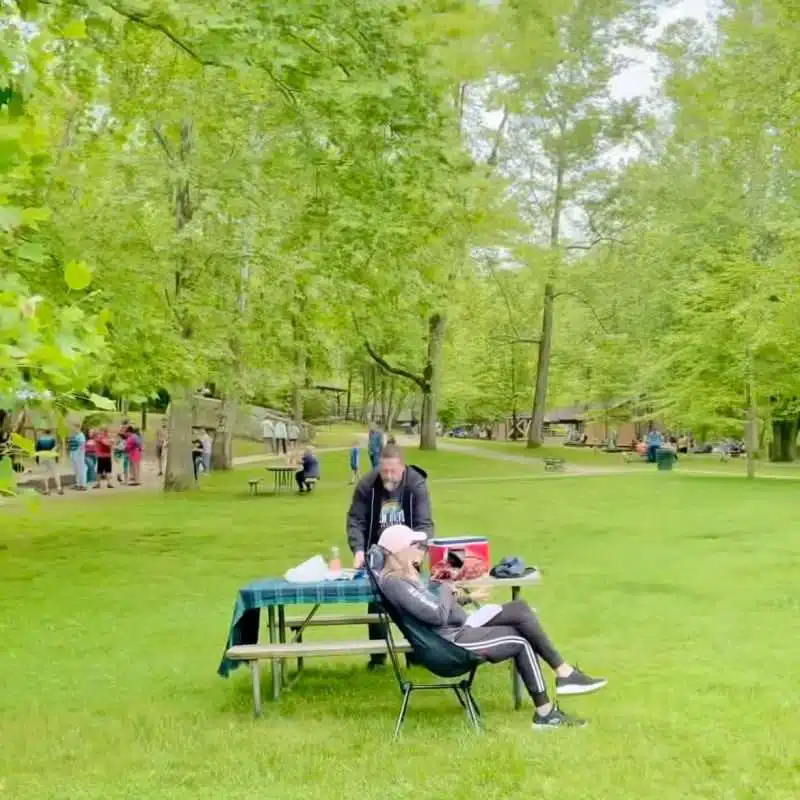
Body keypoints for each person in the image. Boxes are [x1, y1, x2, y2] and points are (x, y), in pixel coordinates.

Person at [376, 524, 607, 729]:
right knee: (519, 640)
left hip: (458, 628)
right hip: (451, 644)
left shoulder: (407, 577)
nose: (421, 549)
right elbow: (436, 615)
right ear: (398, 551)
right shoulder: (395, 583)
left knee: (519, 609)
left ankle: (564, 673)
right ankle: (546, 713)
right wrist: (447, 585)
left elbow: (433, 608)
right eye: (415, 545)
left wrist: (465, 597)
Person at [347, 442, 433, 667]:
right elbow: (356, 519)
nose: (387, 476)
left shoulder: (416, 483)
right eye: (384, 470)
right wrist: (358, 549)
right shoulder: (367, 483)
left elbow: (425, 524)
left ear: (402, 468)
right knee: (376, 603)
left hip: (407, 553)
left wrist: (419, 553)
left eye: (393, 471)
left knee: (413, 604)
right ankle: (378, 657)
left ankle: (416, 656)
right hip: (378, 554)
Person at [35, 428, 62, 495]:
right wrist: (56, 459)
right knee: (55, 473)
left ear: (43, 432)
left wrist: (37, 459)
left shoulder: (40, 440)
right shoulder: (52, 439)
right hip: (51, 457)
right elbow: (54, 450)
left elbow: (37, 450)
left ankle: (47, 490)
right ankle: (59, 488)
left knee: (45, 473)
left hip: (42, 457)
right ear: (50, 432)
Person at [67, 422, 87, 491]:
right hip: (73, 455)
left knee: (81, 470)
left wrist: (80, 454)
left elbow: (82, 445)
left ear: (77, 427)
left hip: (79, 455)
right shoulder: (75, 435)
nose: (72, 429)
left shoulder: (81, 435)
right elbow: (71, 445)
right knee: (76, 470)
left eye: (73, 427)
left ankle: (83, 485)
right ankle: (78, 484)